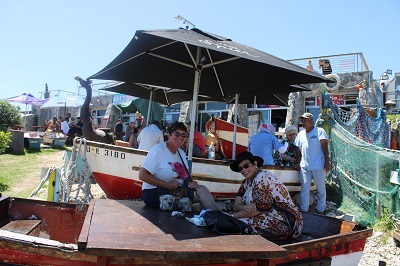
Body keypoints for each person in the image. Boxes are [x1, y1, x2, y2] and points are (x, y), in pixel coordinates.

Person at [138, 121, 220, 210]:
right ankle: (219, 218)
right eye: (177, 134)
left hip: (176, 191)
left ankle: (219, 216)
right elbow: (142, 175)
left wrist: (192, 183)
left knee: (202, 189)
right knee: (200, 193)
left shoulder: (180, 152)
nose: (180, 138)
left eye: (183, 135)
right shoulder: (158, 151)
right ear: (168, 135)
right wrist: (167, 185)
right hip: (154, 193)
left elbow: (186, 177)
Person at [229, 151, 303, 240]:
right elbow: (236, 206)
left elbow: (257, 210)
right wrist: (244, 207)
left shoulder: (262, 178)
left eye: (246, 166)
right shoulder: (246, 182)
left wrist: (232, 218)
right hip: (266, 216)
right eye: (240, 169)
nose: (243, 170)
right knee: (235, 219)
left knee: (239, 223)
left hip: (285, 222)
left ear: (255, 164)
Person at [294, 113, 331, 214]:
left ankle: (320, 209)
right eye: (302, 121)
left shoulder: (320, 131)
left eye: (305, 120)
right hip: (304, 166)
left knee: (321, 188)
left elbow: (325, 148)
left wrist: (327, 163)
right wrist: (297, 162)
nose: (303, 123)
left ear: (311, 121)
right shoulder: (300, 134)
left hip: (318, 165)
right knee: (304, 188)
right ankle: (304, 209)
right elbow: (298, 149)